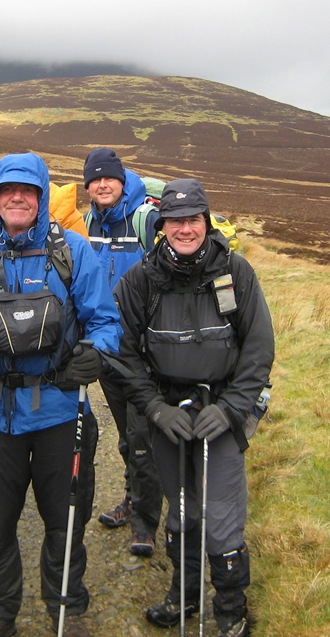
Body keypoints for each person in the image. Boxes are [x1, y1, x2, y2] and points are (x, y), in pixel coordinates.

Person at [0, 152, 123, 637]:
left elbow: (105, 320)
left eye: (27, 190)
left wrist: (97, 352)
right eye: (7, 191)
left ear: (42, 197)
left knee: (66, 522)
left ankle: (66, 609)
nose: (17, 198)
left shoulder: (73, 252)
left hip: (62, 409)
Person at [115, 178, 274, 637]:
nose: (185, 229)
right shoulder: (141, 279)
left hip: (221, 411)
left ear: (206, 222)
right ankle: (183, 595)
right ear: (161, 226)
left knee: (221, 516)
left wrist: (231, 409)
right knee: (182, 511)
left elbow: (258, 349)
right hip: (168, 414)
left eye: (193, 219)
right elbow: (122, 353)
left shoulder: (236, 272)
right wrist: (154, 408)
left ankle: (230, 610)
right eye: (175, 221)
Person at [82, 148, 163, 557]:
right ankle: (134, 499)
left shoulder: (146, 220)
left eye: (108, 178)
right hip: (107, 349)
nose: (102, 185)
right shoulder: (88, 223)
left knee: (142, 435)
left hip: (144, 354)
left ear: (121, 179)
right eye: (94, 179)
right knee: (127, 436)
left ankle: (146, 524)